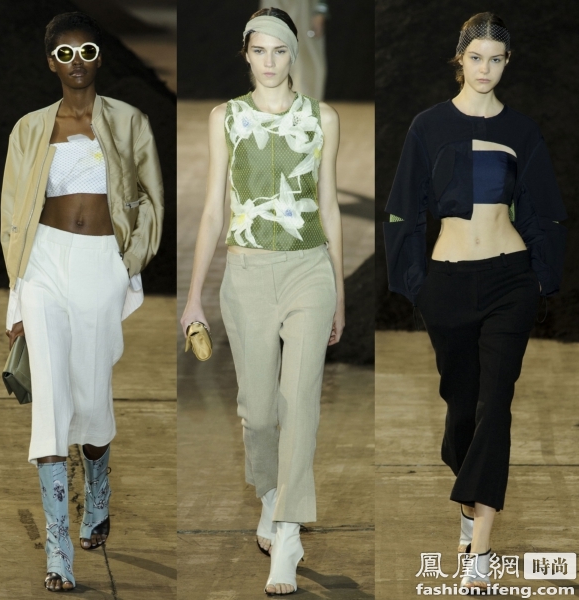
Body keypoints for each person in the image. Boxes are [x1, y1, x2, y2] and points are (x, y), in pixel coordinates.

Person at [383, 12, 566, 592]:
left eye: (497, 59)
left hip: (509, 281)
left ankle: (479, 552)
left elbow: (543, 210)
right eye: (476, 57)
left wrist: (539, 280)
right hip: (448, 283)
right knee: (463, 410)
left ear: (507, 63)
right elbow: (402, 210)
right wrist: (419, 286)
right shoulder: (428, 126)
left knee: (495, 406)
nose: (486, 68)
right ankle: (469, 502)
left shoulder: (522, 131)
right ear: (459, 58)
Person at [181, 7, 344, 595]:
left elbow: (329, 206)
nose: (269, 61)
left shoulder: (321, 117)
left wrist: (340, 294)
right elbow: (212, 209)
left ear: (294, 54)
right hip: (246, 274)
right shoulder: (225, 117)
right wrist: (193, 299)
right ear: (246, 54)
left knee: (299, 401)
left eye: (279, 50)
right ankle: (271, 494)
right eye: (259, 50)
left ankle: (289, 533)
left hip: (308, 271)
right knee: (258, 410)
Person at [1, 12, 163, 592]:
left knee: (92, 398)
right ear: (51, 62)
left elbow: (151, 198)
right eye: (64, 54)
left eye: (86, 51)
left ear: (99, 57)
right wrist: (17, 295)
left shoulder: (129, 121)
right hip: (45, 262)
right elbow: (13, 213)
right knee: (50, 404)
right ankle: (58, 549)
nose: (76, 62)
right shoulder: (29, 128)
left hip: (100, 264)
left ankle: (97, 489)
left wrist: (128, 264)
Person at [259, 0, 329, 99]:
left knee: (306, 61)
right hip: (276, 6)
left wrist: (320, 11)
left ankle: (304, 103)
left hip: (304, 10)